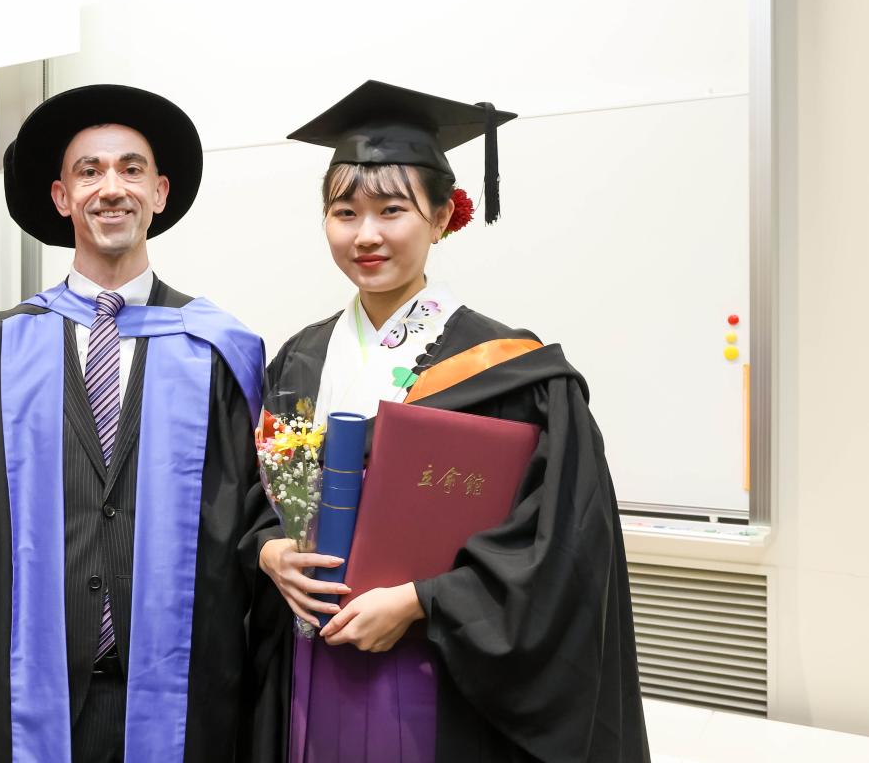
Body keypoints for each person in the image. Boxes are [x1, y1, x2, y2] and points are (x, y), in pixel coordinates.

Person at [258, 81, 649, 761]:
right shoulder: (300, 356)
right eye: (344, 212)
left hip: (442, 679)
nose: (367, 234)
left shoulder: (512, 369)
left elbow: (560, 547)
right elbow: (246, 495)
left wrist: (420, 600)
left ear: (443, 216)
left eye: (392, 210)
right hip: (309, 657)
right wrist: (269, 552)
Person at [0, 84, 279, 762]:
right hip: (28, 694)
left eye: (131, 169)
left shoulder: (220, 351)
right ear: (61, 198)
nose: (113, 188)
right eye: (90, 171)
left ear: (160, 193)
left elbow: (252, 523)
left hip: (184, 695)